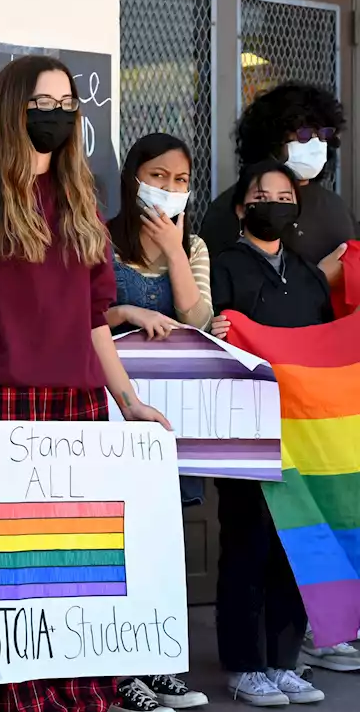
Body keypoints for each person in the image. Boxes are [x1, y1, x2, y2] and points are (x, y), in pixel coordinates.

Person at [0, 54, 171, 712]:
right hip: (5, 411)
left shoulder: (83, 200)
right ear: (12, 109)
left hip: (81, 412)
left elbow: (93, 320)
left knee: (82, 588)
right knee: (20, 594)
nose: (55, 114)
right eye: (41, 102)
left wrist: (129, 401)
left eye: (65, 103)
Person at [209, 160, 333, 707]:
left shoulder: (307, 274)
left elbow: (327, 347)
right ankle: (243, 664)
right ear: (241, 208)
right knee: (247, 543)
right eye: (263, 195)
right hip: (245, 428)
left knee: (295, 546)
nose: (275, 204)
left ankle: (285, 661)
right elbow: (204, 335)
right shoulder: (224, 266)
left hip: (304, 431)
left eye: (285, 197)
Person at [106, 132, 211, 710]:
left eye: (179, 181)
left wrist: (173, 252)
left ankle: (159, 661)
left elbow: (200, 317)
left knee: (162, 544)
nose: (168, 189)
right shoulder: (99, 237)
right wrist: (124, 309)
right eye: (157, 176)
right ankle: (121, 673)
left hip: (170, 418)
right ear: (133, 177)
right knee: (116, 544)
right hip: (107, 414)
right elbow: (81, 312)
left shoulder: (193, 245)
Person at [200, 83, 355, 286]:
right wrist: (319, 280)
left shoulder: (336, 205)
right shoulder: (237, 207)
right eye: (304, 135)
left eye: (323, 134)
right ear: (271, 140)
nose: (317, 144)